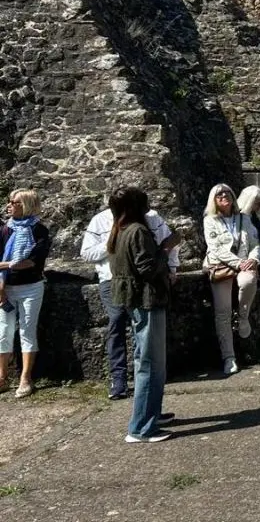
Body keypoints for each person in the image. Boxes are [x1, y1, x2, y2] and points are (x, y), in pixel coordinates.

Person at [81, 197, 180, 399]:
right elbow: (87, 253)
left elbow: (168, 240)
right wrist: (115, 243)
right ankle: (118, 380)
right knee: (116, 324)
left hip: (142, 283)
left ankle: (144, 381)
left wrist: (172, 267)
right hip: (111, 280)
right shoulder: (100, 220)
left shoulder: (151, 219)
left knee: (143, 330)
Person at [107, 187, 174, 443]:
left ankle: (150, 413)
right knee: (150, 364)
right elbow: (147, 268)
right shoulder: (137, 231)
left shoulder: (120, 230)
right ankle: (142, 427)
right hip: (147, 301)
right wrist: (166, 248)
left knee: (145, 360)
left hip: (135, 301)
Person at [203, 183, 260, 376]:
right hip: (221, 267)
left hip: (243, 262)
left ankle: (243, 317)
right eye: (219, 194)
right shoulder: (210, 220)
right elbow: (215, 249)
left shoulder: (244, 218)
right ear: (214, 200)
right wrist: (239, 263)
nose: (224, 196)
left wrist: (252, 258)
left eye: (227, 193)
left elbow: (254, 243)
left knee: (248, 281)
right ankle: (229, 357)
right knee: (223, 312)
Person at [0, 189, 50, 398]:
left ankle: (25, 378)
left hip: (31, 287)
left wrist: (5, 265)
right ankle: (2, 377)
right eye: (9, 201)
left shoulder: (39, 231)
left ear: (27, 205)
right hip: (5, 287)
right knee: (3, 332)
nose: (9, 205)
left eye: (15, 202)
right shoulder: (4, 230)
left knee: (27, 331)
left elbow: (32, 262)